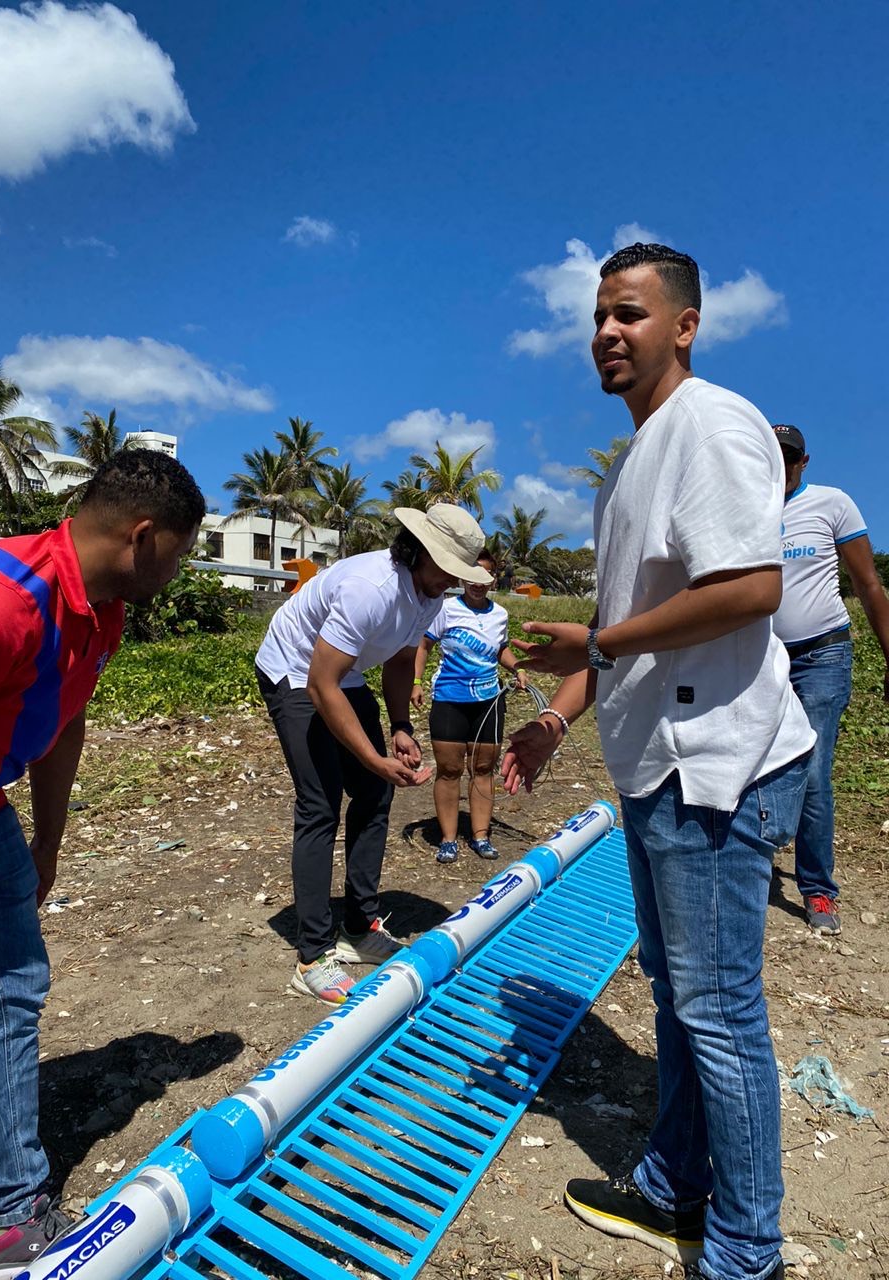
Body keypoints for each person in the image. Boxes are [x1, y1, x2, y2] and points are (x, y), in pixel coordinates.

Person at [501, 242, 815, 1280]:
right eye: (599, 314)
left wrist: (599, 644)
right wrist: (556, 719)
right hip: (656, 766)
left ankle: (747, 1249)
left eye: (629, 313)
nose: (607, 331)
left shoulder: (712, 425)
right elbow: (621, 626)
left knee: (718, 1009)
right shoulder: (633, 459)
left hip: (714, 762)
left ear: (684, 325)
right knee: (680, 991)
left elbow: (750, 588)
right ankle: (676, 1185)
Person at [0, 449, 205, 1280]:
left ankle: (9, 1217)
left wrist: (46, 844)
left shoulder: (99, 611)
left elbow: (61, 722)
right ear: (144, 537)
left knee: (12, 995)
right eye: (180, 553)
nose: (179, 571)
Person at [254, 503, 491, 1004]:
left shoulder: (430, 595)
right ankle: (312, 954)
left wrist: (400, 725)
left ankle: (359, 927)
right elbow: (320, 684)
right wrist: (371, 756)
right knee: (320, 805)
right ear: (420, 551)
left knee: (375, 793)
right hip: (295, 669)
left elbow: (402, 661)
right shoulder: (372, 588)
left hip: (346, 674)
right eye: (448, 566)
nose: (453, 579)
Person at [771, 423, 889, 936]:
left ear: (804, 461)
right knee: (756, 765)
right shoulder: (745, 508)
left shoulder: (832, 504)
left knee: (813, 772)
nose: (781, 465)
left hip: (823, 654)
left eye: (790, 457)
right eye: (773, 455)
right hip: (762, 659)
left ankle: (817, 888)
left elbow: (868, 583)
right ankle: (751, 860)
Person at [410, 549, 527, 863]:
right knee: (449, 770)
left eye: (485, 576)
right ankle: (448, 839)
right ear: (463, 577)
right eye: (472, 576)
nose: (478, 583)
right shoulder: (445, 608)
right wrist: (416, 681)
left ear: (493, 579)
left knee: (483, 769)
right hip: (450, 699)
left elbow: (501, 649)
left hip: (489, 702)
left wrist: (517, 668)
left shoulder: (500, 614)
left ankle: (480, 836)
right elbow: (423, 645)